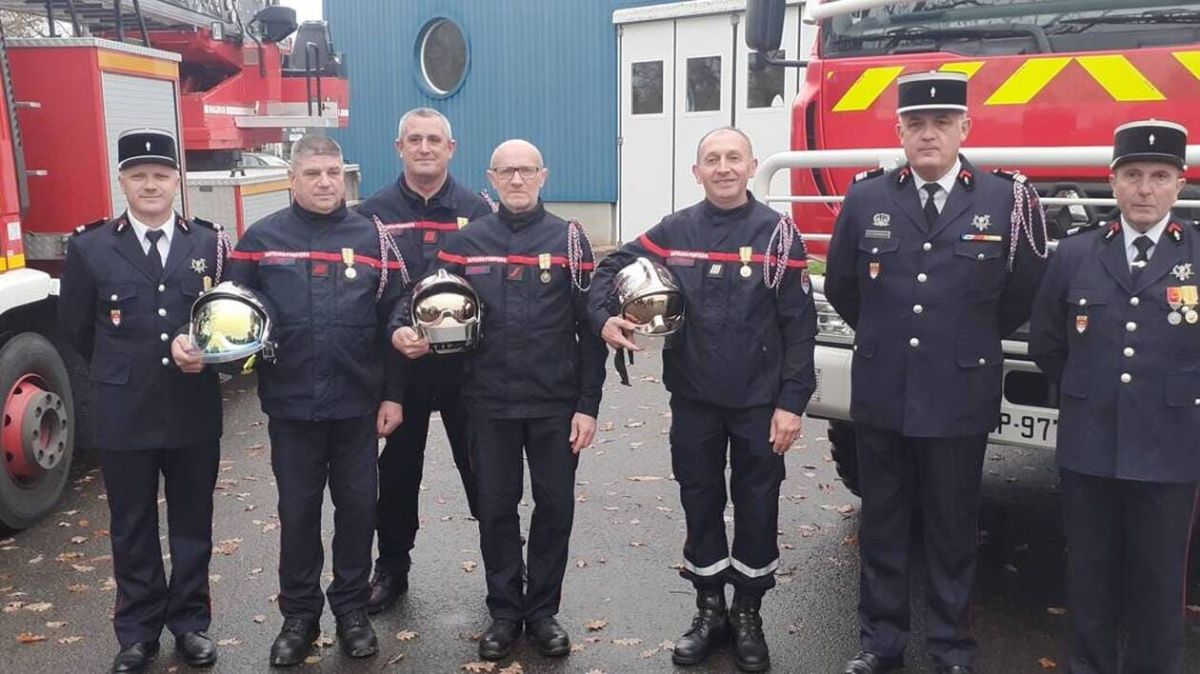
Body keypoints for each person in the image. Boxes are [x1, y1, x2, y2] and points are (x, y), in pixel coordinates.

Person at [824, 71, 1048, 674]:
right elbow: (844, 286)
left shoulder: (1005, 199)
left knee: (953, 528)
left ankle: (951, 646)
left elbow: (1023, 291)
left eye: (941, 124)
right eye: (916, 125)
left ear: (964, 128)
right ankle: (881, 642)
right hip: (883, 389)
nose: (928, 135)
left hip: (958, 388)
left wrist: (965, 336)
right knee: (885, 522)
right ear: (899, 131)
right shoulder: (867, 197)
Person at [589, 126, 815, 673]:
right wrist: (606, 318)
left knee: (759, 506)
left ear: (751, 165)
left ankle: (748, 615)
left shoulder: (778, 234)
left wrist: (793, 402)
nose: (723, 167)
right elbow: (608, 268)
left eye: (732, 158)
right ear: (696, 172)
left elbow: (800, 326)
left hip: (761, 403)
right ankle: (710, 609)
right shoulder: (676, 230)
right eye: (711, 159)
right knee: (700, 499)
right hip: (694, 399)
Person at [392, 139, 606, 662]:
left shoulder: (569, 239)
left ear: (543, 175)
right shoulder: (467, 242)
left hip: (555, 403)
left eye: (526, 171)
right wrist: (401, 326)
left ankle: (544, 612)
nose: (516, 180)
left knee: (555, 507)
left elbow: (592, 324)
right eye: (506, 171)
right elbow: (421, 293)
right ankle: (506, 611)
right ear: (490, 177)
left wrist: (588, 404)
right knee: (496, 508)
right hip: (487, 404)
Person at [226, 134, 404, 667]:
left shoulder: (374, 238)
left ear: (343, 177)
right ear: (291, 179)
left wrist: (393, 394)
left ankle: (351, 611)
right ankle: (299, 617)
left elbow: (395, 317)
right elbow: (232, 317)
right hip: (292, 407)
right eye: (312, 173)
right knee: (298, 514)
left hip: (356, 407)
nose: (325, 182)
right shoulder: (259, 240)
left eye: (333, 172)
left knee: (356, 513)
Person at [1030, 119, 1199, 674]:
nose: (1144, 189)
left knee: (1158, 582)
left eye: (1158, 175)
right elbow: (1047, 343)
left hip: (1170, 447)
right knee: (1090, 575)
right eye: (1132, 175)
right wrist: (1089, 391)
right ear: (1112, 181)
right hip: (1091, 443)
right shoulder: (1075, 255)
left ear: (1180, 183)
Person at [58, 128, 226, 673]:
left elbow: (224, 322)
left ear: (177, 181)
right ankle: (137, 633)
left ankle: (191, 624)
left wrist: (209, 357)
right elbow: (78, 329)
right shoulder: (89, 247)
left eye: (160, 175)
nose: (150, 185)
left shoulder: (209, 243)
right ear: (123, 181)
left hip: (192, 410)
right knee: (131, 526)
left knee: (192, 523)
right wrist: (121, 372)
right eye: (139, 176)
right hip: (124, 412)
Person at [356, 108, 491, 613]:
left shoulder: (479, 211)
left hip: (466, 371)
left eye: (435, 139)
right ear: (399, 147)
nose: (425, 147)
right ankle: (391, 568)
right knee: (396, 475)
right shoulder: (372, 214)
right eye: (415, 139)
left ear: (451, 149)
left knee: (483, 470)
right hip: (399, 371)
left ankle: (502, 567)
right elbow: (367, 294)